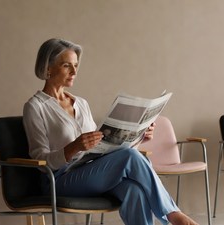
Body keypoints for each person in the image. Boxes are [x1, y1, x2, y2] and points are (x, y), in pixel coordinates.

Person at [23, 38, 199, 225]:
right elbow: (40, 160)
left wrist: (139, 137)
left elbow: (100, 148)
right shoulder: (35, 107)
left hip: (90, 172)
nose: (74, 72)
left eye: (76, 65)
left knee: (134, 191)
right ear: (47, 68)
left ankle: (171, 215)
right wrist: (73, 147)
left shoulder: (81, 104)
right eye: (67, 65)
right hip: (59, 181)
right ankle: (174, 215)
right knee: (129, 157)